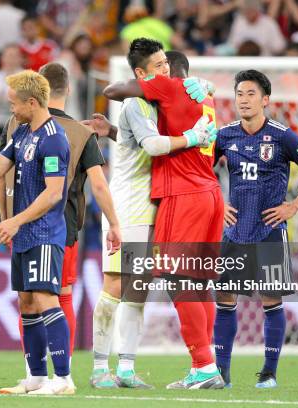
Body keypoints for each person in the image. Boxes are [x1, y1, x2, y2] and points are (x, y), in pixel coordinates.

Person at [85, 38, 217, 390]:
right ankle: (100, 368)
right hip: (128, 208)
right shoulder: (134, 104)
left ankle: (126, 368)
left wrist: (204, 86)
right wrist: (193, 136)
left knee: (139, 289)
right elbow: (155, 146)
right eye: (158, 65)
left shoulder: (159, 102)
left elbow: (139, 147)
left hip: (157, 206)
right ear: (141, 73)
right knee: (116, 284)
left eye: (166, 63)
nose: (166, 70)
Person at [0, 62, 122, 394]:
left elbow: (1, 175)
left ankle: (42, 373)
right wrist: (114, 222)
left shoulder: (16, 124)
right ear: (66, 90)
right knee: (59, 295)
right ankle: (56, 375)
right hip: (62, 225)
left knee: (31, 298)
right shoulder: (81, 133)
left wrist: (5, 217)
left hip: (19, 221)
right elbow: (99, 185)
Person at [0, 70, 72, 395]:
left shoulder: (53, 138)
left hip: (44, 233)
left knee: (45, 298)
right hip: (24, 235)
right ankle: (36, 377)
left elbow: (52, 193)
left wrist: (14, 221)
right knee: (26, 301)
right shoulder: (22, 133)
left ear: (32, 102)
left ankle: (62, 379)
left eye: (13, 104)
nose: (11, 109)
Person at [213, 70, 298, 389]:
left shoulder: (283, 136)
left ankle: (268, 373)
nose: (244, 100)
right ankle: (221, 372)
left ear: (265, 100)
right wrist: (218, 205)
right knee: (224, 298)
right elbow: (199, 172)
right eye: (239, 94)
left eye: (251, 94)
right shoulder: (224, 136)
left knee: (271, 300)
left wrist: (294, 206)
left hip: (269, 231)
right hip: (235, 230)